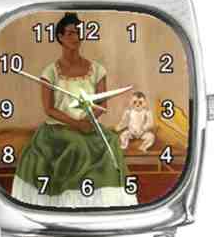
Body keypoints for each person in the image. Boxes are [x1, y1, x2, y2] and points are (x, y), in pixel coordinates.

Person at [11, 13, 136, 207]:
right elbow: (49, 108)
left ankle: (104, 204)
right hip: (58, 128)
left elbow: (102, 104)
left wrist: (88, 121)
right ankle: (67, 203)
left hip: (88, 125)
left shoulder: (97, 69)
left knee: (111, 140)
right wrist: (76, 124)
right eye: (70, 33)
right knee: (77, 145)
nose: (75, 37)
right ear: (60, 37)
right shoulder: (50, 72)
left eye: (78, 33)